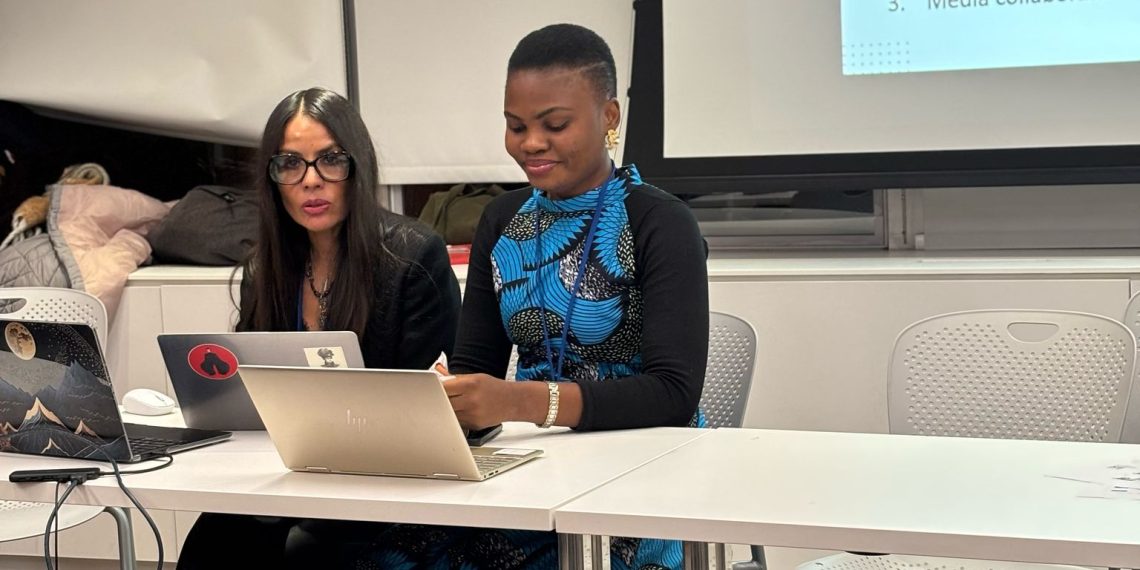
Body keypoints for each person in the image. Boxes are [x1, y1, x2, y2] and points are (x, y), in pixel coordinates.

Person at [356, 23, 709, 570]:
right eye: (515, 125)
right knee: (376, 556)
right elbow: (477, 366)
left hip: (646, 472)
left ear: (609, 117)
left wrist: (522, 401)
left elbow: (674, 392)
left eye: (555, 124)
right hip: (538, 466)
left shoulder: (659, 221)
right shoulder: (502, 221)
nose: (531, 144)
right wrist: (442, 401)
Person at [176, 87, 461, 570]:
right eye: (290, 164)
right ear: (272, 179)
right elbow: (251, 396)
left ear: (358, 166)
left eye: (330, 160)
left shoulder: (414, 256)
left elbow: (432, 415)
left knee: (301, 550)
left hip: (388, 486)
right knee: (212, 541)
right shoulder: (266, 267)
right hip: (292, 473)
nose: (311, 181)